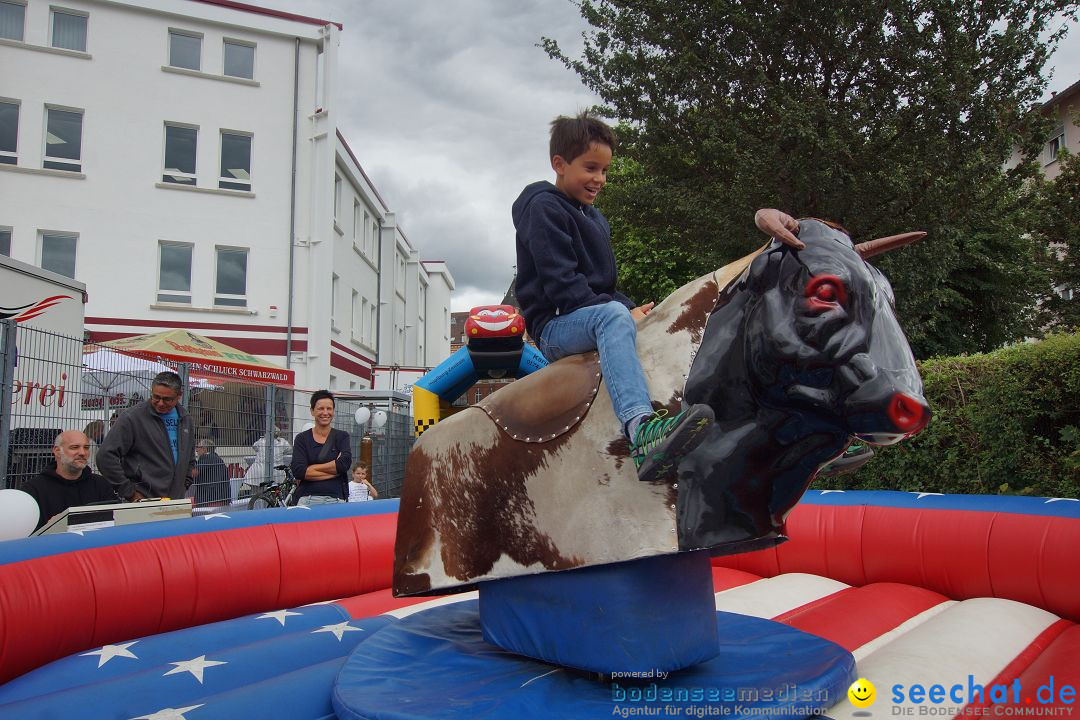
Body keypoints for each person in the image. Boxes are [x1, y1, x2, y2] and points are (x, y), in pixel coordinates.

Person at [512, 111, 803, 482]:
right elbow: (562, 287)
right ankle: (641, 429)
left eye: (605, 171)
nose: (599, 179)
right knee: (614, 316)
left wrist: (636, 309)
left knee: (669, 319)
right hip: (556, 325)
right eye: (590, 168)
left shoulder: (595, 218)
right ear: (559, 164)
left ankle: (779, 423)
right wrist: (618, 312)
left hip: (591, 312)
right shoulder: (543, 207)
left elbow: (602, 287)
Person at [97, 371, 196, 501]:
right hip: (143, 500)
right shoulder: (132, 418)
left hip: (176, 499)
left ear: (179, 396)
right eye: (156, 397)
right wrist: (129, 492)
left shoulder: (186, 419)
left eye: (167, 399)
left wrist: (185, 482)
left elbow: (189, 456)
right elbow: (105, 456)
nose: (160, 403)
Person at [22, 430, 118, 530]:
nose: (82, 453)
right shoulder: (33, 490)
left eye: (86, 448)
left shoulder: (101, 485)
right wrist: (50, 528)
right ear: (57, 451)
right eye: (74, 447)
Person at [290, 390, 352, 506]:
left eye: (329, 409)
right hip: (307, 499)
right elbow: (299, 471)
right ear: (312, 411)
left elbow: (344, 464)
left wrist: (310, 469)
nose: (325, 412)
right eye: (320, 408)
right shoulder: (302, 439)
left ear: (333, 411)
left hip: (336, 500)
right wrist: (334, 470)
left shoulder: (342, 437)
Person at [191, 439, 231, 508]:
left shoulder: (205, 457)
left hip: (209, 499)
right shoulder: (218, 458)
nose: (196, 450)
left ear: (204, 448)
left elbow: (194, 473)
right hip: (223, 497)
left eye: (198, 447)